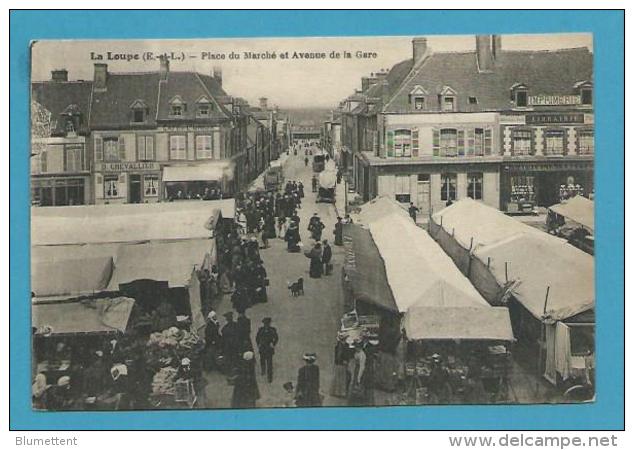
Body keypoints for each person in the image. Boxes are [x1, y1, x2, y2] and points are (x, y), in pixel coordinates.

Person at [256, 317, 279, 383]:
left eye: (268, 323)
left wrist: (273, 344)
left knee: (269, 363)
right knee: (262, 360)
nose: (266, 324)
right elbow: (257, 338)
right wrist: (259, 344)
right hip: (262, 347)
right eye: (265, 323)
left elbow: (276, 338)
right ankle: (263, 371)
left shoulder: (272, 330)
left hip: (269, 348)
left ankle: (270, 378)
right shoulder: (261, 330)